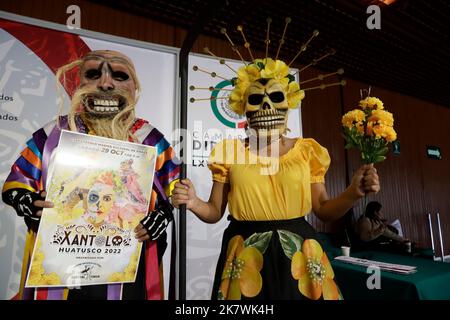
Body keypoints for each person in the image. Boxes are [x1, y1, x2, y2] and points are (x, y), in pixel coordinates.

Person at [172, 56, 380, 300]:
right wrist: (194, 202)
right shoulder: (229, 152)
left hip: (300, 253)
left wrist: (352, 193)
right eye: (256, 100)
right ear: (244, 109)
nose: (266, 106)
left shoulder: (306, 151)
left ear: (288, 104)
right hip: (245, 253)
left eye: (275, 97)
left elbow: (323, 209)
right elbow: (215, 211)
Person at [1, 50, 179, 300]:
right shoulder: (54, 133)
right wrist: (27, 201)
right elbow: (17, 183)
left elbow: (176, 190)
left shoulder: (150, 139)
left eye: (119, 75)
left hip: (128, 264)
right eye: (94, 74)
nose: (106, 83)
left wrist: (162, 214)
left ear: (134, 87)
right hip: (60, 266)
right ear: (79, 83)